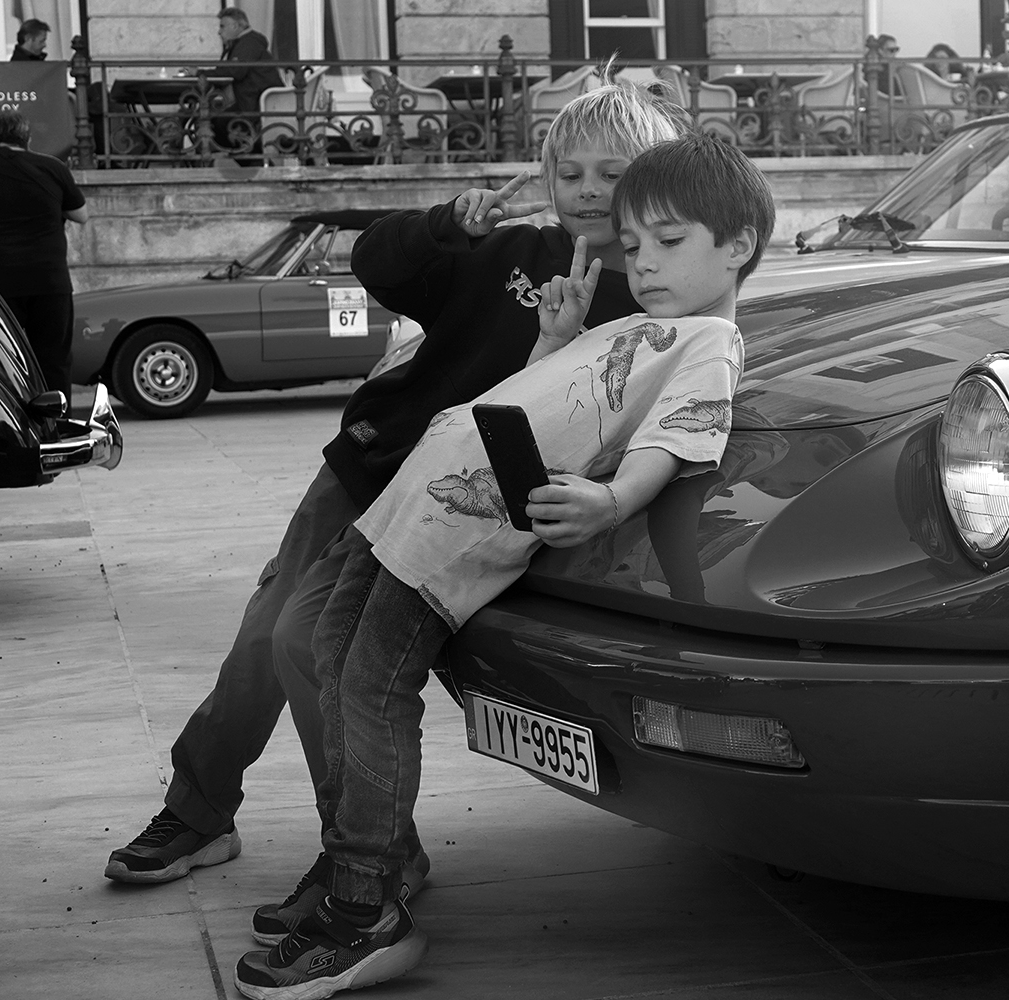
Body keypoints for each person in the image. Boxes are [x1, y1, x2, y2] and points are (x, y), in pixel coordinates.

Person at [103, 78, 690, 902]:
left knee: (313, 647)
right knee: (266, 636)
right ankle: (203, 810)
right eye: (570, 173)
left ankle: (361, 851)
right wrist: (447, 225)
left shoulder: (658, 300)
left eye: (614, 173)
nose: (588, 190)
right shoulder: (510, 251)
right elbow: (375, 261)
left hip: (460, 510)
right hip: (370, 470)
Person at [232, 131, 774, 1000]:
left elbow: (680, 435)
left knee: (367, 686)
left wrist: (614, 499)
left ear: (738, 246)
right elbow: (539, 401)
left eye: (669, 242)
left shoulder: (708, 341)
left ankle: (366, 906)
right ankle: (353, 874)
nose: (644, 262)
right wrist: (555, 339)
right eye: (634, 244)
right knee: (332, 659)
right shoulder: (636, 325)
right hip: (410, 512)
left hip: (456, 538)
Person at [0, 109, 86, 398]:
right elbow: (81, 215)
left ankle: (8, 414)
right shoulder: (53, 167)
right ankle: (57, 417)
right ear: (27, 137)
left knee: (0, 355)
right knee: (53, 358)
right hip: (48, 278)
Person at [190, 7, 275, 150]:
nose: (219, 32)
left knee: (215, 123)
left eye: (222, 26)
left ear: (235, 26)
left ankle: (249, 158)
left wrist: (200, 73)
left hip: (256, 105)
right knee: (213, 120)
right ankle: (246, 156)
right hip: (255, 102)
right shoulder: (247, 42)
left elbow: (234, 71)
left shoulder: (248, 43)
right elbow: (231, 70)